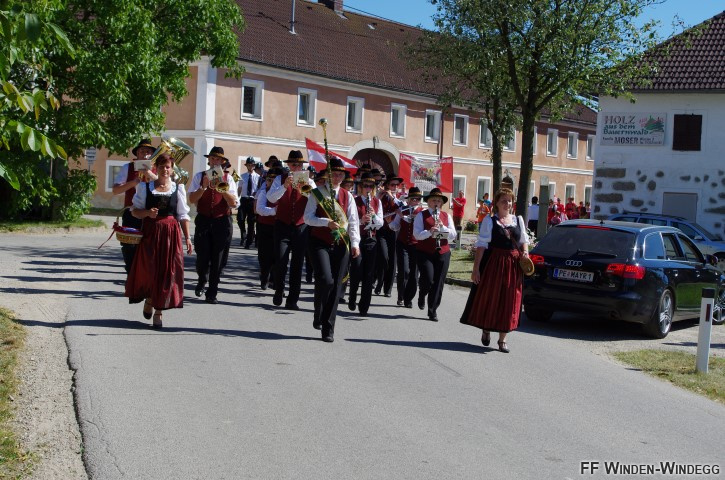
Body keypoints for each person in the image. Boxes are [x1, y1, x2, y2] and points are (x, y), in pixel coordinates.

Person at [125, 153, 193, 328]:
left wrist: (188, 238)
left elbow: (183, 215)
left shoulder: (178, 188)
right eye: (162, 166)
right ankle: (149, 299)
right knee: (150, 270)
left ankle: (159, 311)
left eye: (168, 167)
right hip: (151, 233)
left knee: (167, 272)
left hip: (171, 235)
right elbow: (135, 211)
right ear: (156, 168)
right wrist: (148, 213)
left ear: (172, 169)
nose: (165, 170)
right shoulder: (145, 187)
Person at [460, 188, 529, 353]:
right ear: (496, 203)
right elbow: (481, 246)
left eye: (509, 200)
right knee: (491, 297)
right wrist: (476, 269)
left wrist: (525, 252)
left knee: (509, 300)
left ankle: (502, 339)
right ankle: (486, 328)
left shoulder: (518, 220)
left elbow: (523, 241)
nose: (507, 203)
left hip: (513, 265)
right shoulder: (490, 221)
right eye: (503, 200)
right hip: (494, 264)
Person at [304, 158, 360, 342]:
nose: (337, 177)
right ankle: (318, 311)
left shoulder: (347, 196)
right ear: (327, 175)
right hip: (319, 242)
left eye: (340, 175)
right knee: (325, 279)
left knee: (336, 286)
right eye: (334, 174)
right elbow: (308, 218)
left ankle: (328, 328)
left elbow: (353, 221)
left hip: (341, 244)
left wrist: (355, 244)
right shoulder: (317, 193)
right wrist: (326, 222)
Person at [188, 146, 239, 304]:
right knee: (202, 256)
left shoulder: (228, 178)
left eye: (218, 159)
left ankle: (212, 292)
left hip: (222, 221)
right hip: (204, 220)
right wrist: (203, 187)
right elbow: (191, 199)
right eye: (213, 158)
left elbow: (234, 203)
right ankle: (202, 279)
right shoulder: (199, 176)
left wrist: (222, 189)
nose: (215, 161)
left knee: (218, 259)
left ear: (222, 162)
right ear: (209, 160)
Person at [266, 150, 315, 310]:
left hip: (301, 226)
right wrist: (284, 186)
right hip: (282, 224)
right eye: (294, 164)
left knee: (297, 264)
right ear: (288, 165)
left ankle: (293, 299)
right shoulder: (280, 179)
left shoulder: (310, 181)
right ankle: (279, 289)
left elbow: (316, 201)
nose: (297, 167)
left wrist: (306, 190)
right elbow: (271, 198)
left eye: (299, 165)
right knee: (281, 260)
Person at [112, 138, 155, 272]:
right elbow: (116, 190)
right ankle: (131, 274)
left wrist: (150, 174)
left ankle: (145, 277)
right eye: (142, 151)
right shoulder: (128, 167)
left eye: (148, 152)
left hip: (151, 214)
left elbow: (164, 185)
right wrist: (133, 182)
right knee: (129, 247)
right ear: (137, 154)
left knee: (149, 247)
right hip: (131, 212)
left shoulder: (157, 168)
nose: (145, 154)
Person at [413, 188, 457, 321]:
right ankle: (422, 294)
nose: (436, 203)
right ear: (428, 202)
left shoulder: (446, 216)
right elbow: (417, 235)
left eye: (438, 201)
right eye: (433, 200)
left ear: (441, 203)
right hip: (425, 252)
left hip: (443, 252)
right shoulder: (421, 215)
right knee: (427, 278)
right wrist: (429, 232)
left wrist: (442, 227)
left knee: (438, 282)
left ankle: (432, 310)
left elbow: (453, 235)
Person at [348, 172, 383, 315]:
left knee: (369, 274)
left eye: (371, 186)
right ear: (361, 187)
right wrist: (361, 221)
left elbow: (380, 224)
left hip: (371, 239)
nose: (368, 188)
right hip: (357, 238)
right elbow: (349, 222)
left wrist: (373, 215)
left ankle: (364, 306)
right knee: (356, 270)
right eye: (365, 186)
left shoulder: (377, 202)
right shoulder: (354, 200)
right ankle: (352, 297)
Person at [390, 186, 424, 308]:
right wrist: (390, 222)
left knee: (414, 273)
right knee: (404, 271)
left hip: (416, 245)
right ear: (408, 200)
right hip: (402, 243)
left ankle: (409, 298)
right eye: (413, 199)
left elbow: (411, 220)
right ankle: (401, 296)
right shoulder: (402, 209)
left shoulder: (422, 212)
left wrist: (402, 216)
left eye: (418, 199)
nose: (415, 201)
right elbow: (395, 226)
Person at [374, 175, 402, 297]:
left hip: (394, 231)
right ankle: (379, 282)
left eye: (396, 185)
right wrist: (379, 197)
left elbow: (403, 207)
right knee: (383, 257)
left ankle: (388, 289)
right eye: (392, 185)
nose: (395, 187)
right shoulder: (380, 196)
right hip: (381, 231)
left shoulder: (399, 198)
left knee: (392, 259)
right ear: (387, 186)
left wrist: (392, 197)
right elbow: (372, 206)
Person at [255, 166, 282, 290]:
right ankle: (264, 275)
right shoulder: (264, 192)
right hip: (265, 227)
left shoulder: (282, 193)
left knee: (278, 254)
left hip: (279, 227)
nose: (270, 182)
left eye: (274, 180)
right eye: (268, 180)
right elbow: (259, 209)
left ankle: (274, 280)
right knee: (264, 255)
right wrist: (274, 211)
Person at [237, 157, 260, 248]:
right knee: (240, 219)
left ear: (254, 166)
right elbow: (239, 188)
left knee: (251, 221)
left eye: (252, 165)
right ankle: (243, 234)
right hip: (243, 199)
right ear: (246, 166)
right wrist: (237, 198)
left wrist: (256, 194)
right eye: (249, 165)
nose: (250, 167)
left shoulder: (258, 177)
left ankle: (249, 242)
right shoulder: (242, 176)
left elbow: (259, 189)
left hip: (252, 200)